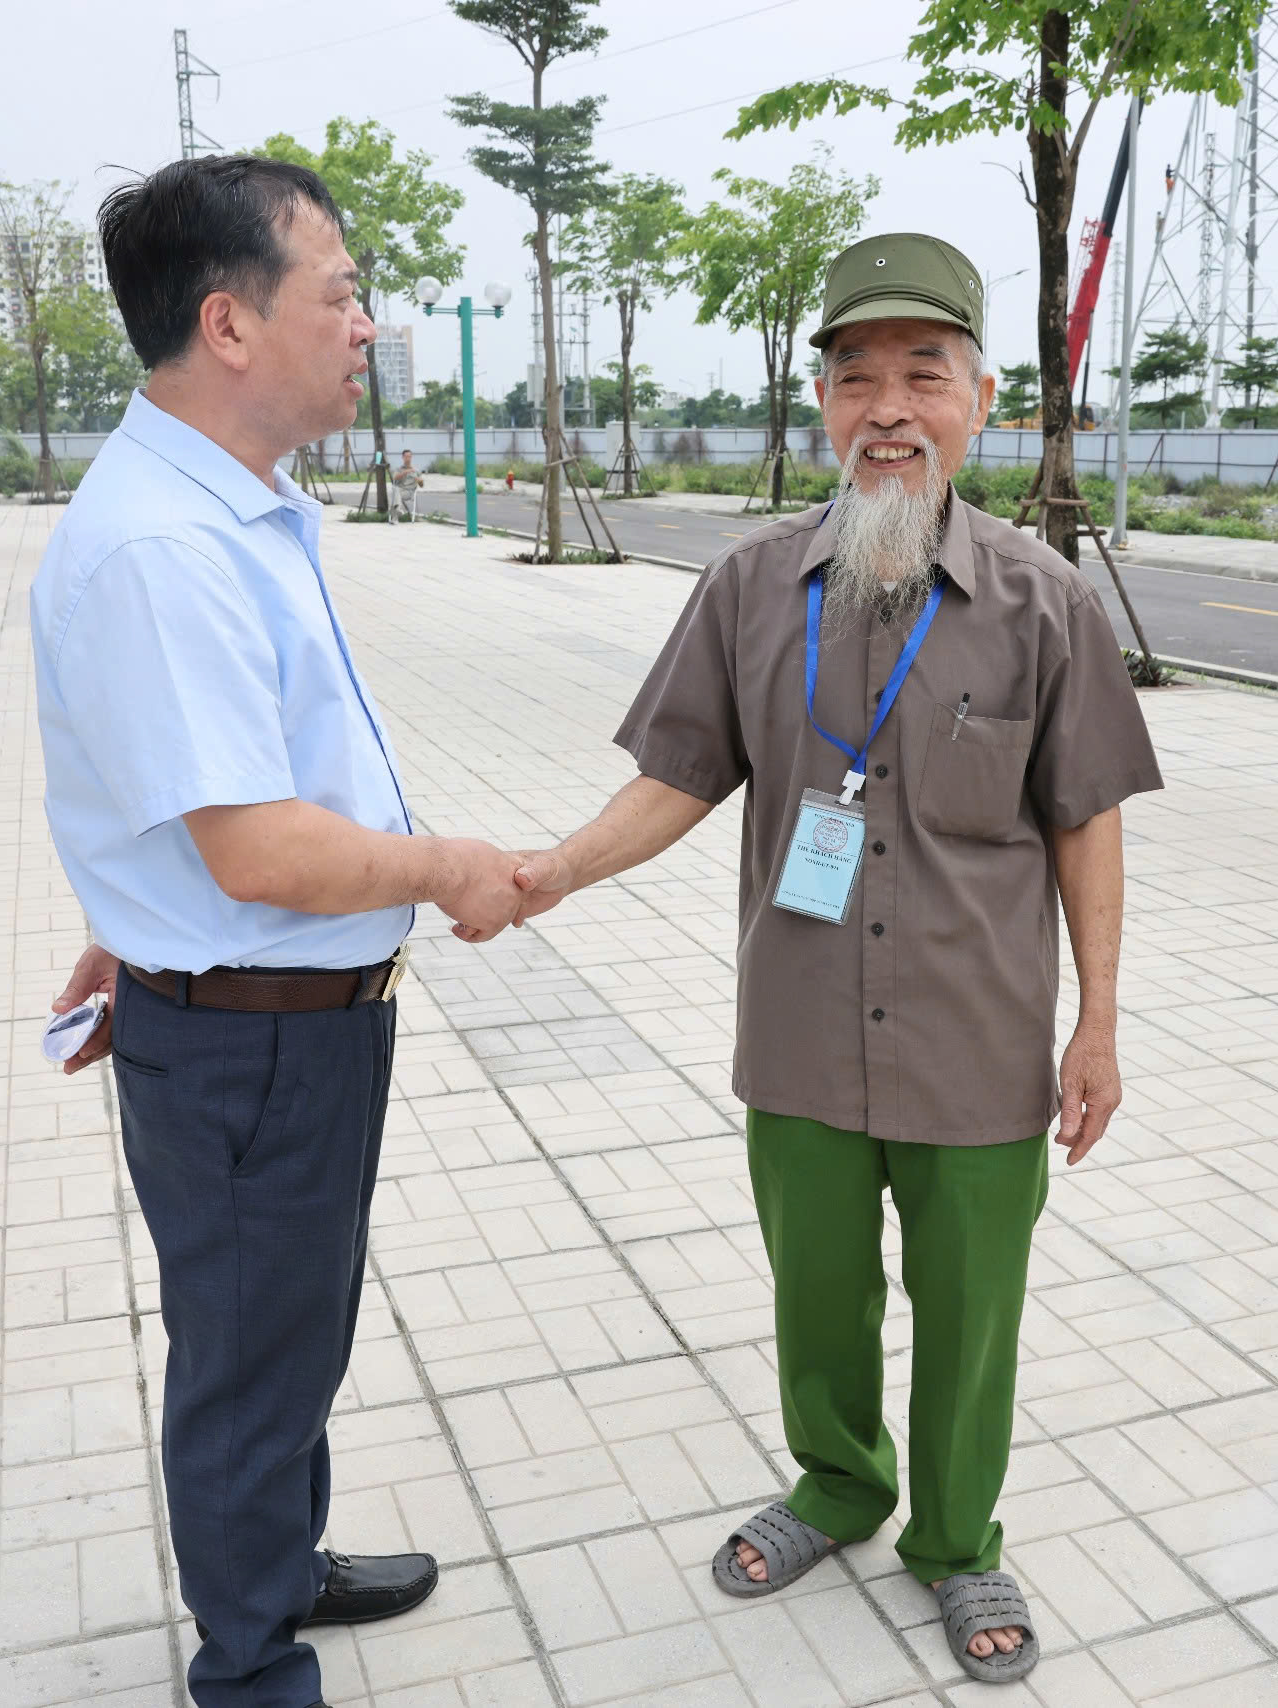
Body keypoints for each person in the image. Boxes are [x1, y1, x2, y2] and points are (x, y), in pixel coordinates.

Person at [489, 233, 1161, 1685]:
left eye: (924, 374)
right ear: (821, 406)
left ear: (982, 400)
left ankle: (958, 1538)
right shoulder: (748, 588)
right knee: (817, 1289)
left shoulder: (1046, 601)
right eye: (856, 378)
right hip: (798, 1028)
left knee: (971, 1311)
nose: (888, 409)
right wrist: (553, 872)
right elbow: (675, 777)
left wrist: (1098, 1023)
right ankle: (840, 1483)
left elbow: (1086, 823)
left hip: (978, 1038)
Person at [29, 154, 528, 1708]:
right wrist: (448, 866)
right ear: (230, 323)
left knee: (286, 1331)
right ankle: (250, 1669)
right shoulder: (165, 547)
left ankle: (281, 1566)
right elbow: (251, 846)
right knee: (249, 1362)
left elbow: (178, 793)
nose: (367, 326)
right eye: (343, 294)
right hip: (251, 1042)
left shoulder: (230, 507)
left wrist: (132, 916)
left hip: (271, 1021)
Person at [393, 447, 421, 521]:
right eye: (406, 457)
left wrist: (420, 481)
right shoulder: (399, 469)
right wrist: (405, 472)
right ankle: (396, 514)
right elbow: (395, 478)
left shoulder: (416, 470)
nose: (408, 459)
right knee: (396, 490)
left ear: (411, 457)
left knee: (395, 494)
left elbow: (422, 485)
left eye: (409, 457)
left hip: (409, 492)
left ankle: (395, 515)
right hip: (400, 490)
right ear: (402, 457)